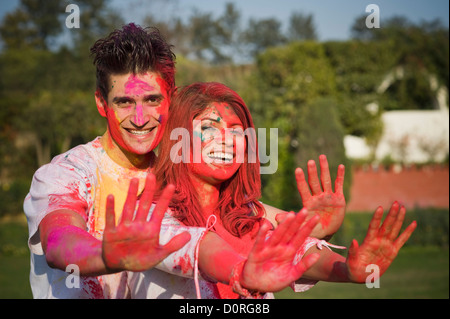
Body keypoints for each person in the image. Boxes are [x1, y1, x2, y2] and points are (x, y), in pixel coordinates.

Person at [23, 23, 343, 299]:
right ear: (101, 102)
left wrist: (317, 230)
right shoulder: (70, 172)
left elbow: (253, 218)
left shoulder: (181, 170)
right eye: (124, 102)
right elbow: (60, 242)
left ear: (170, 99)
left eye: (152, 100)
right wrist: (105, 255)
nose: (139, 118)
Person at [129, 82, 417, 299]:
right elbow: (197, 245)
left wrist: (350, 271)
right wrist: (241, 270)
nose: (228, 140)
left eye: (236, 130)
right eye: (209, 127)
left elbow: (298, 252)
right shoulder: (151, 215)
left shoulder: (248, 214)